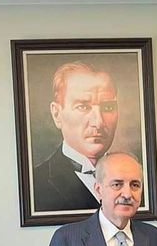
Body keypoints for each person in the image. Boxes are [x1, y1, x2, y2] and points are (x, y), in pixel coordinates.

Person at [33, 62, 119, 212]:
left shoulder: (138, 179)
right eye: (83, 107)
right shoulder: (36, 184)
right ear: (57, 114)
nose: (98, 122)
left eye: (108, 107)